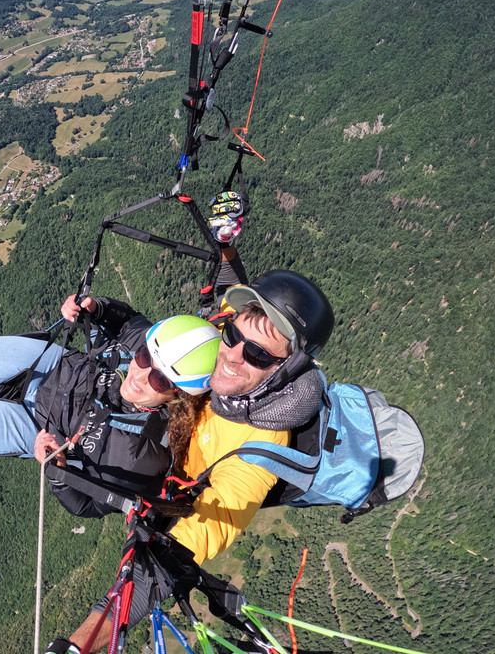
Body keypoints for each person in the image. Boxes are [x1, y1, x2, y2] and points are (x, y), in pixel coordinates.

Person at [46, 269, 334, 654]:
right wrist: (101, 311)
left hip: (154, 472)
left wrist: (80, 644)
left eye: (258, 354)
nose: (231, 355)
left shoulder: (265, 442)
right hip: (142, 425)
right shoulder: (224, 355)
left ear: (286, 371)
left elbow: (209, 526)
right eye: (233, 335)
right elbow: (167, 323)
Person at [0, 296, 220, 518]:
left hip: (35, 425)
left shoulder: (145, 460)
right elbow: (127, 321)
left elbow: (88, 506)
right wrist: (94, 307)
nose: (139, 375)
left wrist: (57, 474)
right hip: (52, 365)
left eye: (159, 381)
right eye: (146, 358)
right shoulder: (153, 346)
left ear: (179, 395)